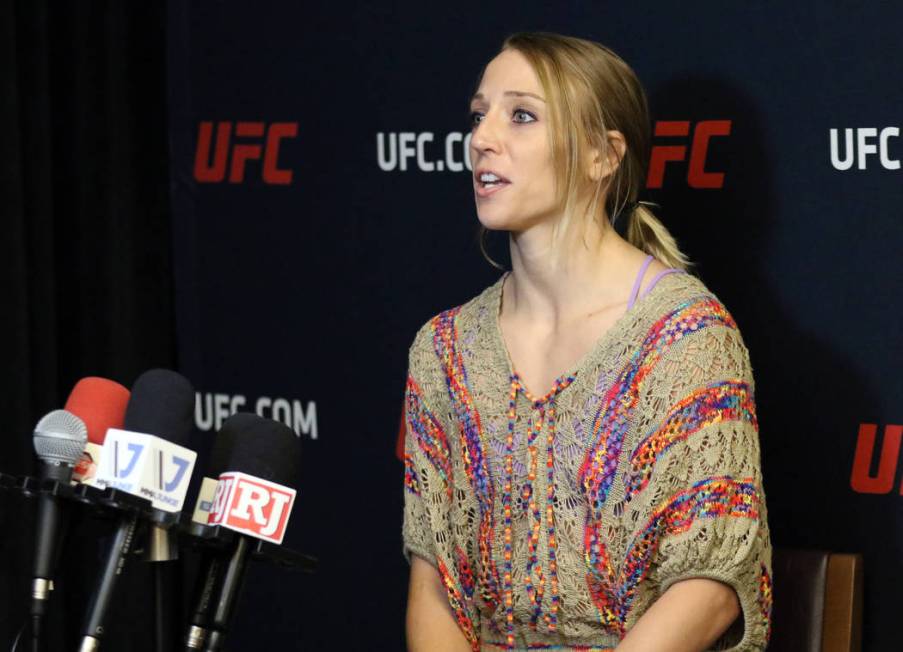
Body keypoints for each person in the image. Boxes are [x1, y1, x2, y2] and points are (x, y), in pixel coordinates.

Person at [401, 32, 771, 652]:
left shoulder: (682, 336)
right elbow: (433, 579)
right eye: (478, 113)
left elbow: (709, 588)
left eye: (521, 115)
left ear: (603, 155)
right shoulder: (444, 350)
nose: (481, 138)